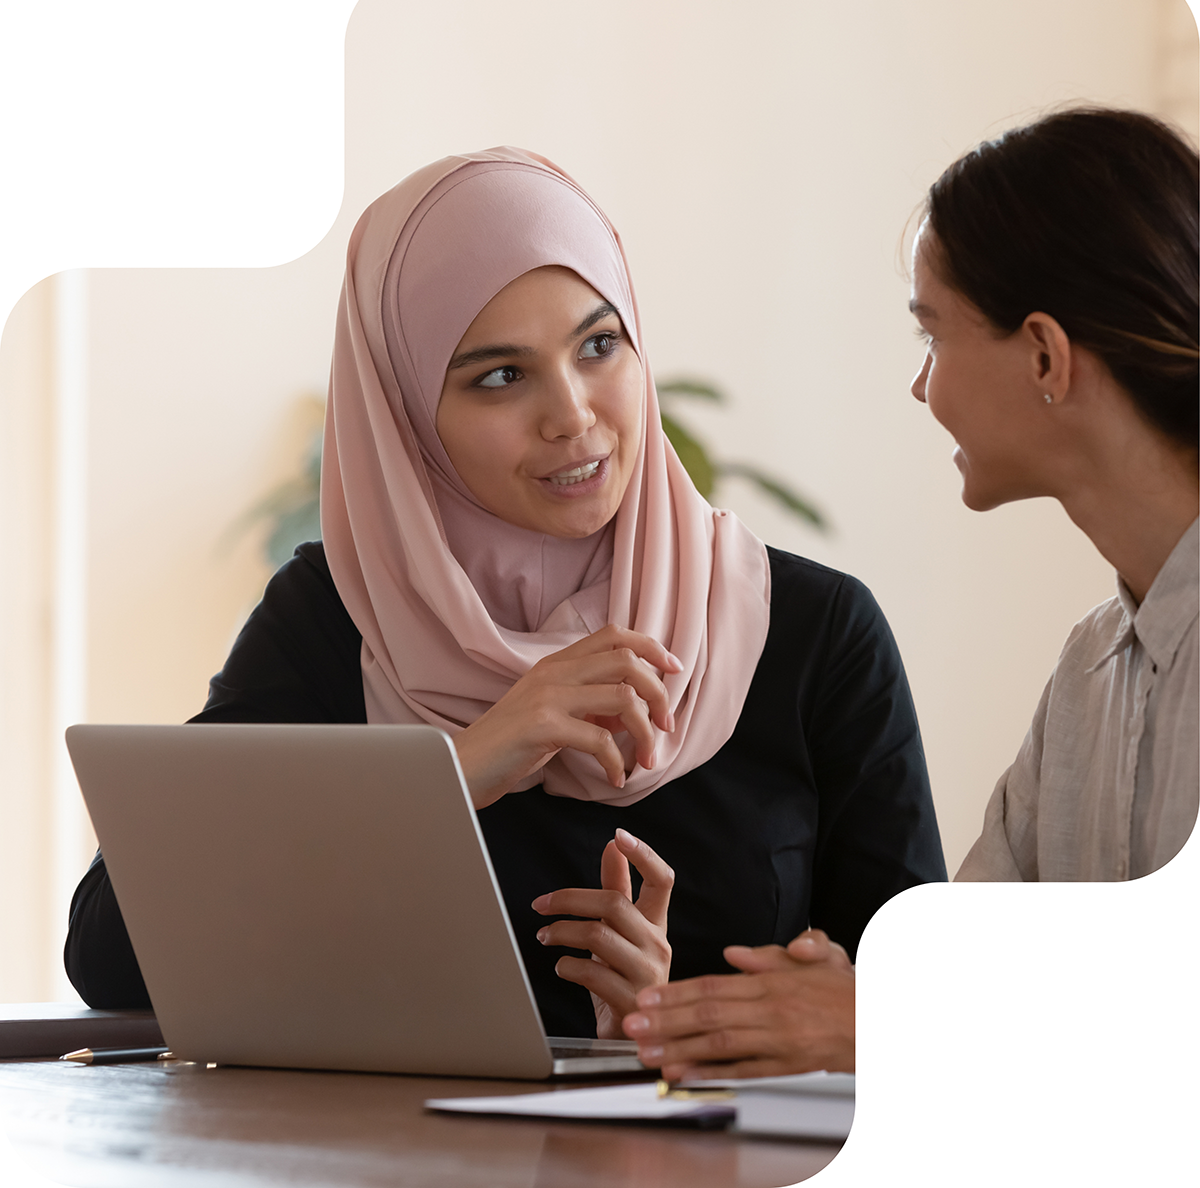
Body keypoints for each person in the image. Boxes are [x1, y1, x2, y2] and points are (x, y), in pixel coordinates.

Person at [64, 147, 945, 1039]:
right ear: (406, 415)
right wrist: (457, 772)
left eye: (600, 345)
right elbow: (109, 954)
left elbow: (923, 1019)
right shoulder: (340, 620)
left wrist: (669, 1031)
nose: (572, 414)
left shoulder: (811, 632)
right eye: (500, 376)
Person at [622, 106, 1198, 1079]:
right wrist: (829, 995)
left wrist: (887, 1020)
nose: (923, 389)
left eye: (934, 333)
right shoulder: (1090, 669)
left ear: (1047, 357)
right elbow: (974, 974)